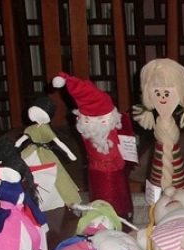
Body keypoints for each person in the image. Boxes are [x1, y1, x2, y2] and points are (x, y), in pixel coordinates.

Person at [52, 73, 133, 219]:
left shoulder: (114, 129)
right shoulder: (86, 132)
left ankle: (121, 213)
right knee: (98, 197)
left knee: (118, 199)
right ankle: (99, 214)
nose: (94, 124)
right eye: (88, 120)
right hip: (95, 169)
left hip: (114, 169)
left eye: (100, 118)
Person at [132, 58, 184, 195]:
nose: (163, 98)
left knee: (177, 182)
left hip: (177, 187)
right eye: (157, 93)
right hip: (161, 184)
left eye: (167, 93)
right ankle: (159, 198)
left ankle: (174, 197)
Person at [15, 97, 81, 209]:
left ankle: (57, 198)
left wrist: (69, 153)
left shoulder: (45, 128)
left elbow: (58, 142)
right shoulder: (31, 129)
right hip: (30, 151)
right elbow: (21, 140)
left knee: (56, 175)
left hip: (44, 153)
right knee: (20, 169)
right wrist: (14, 148)